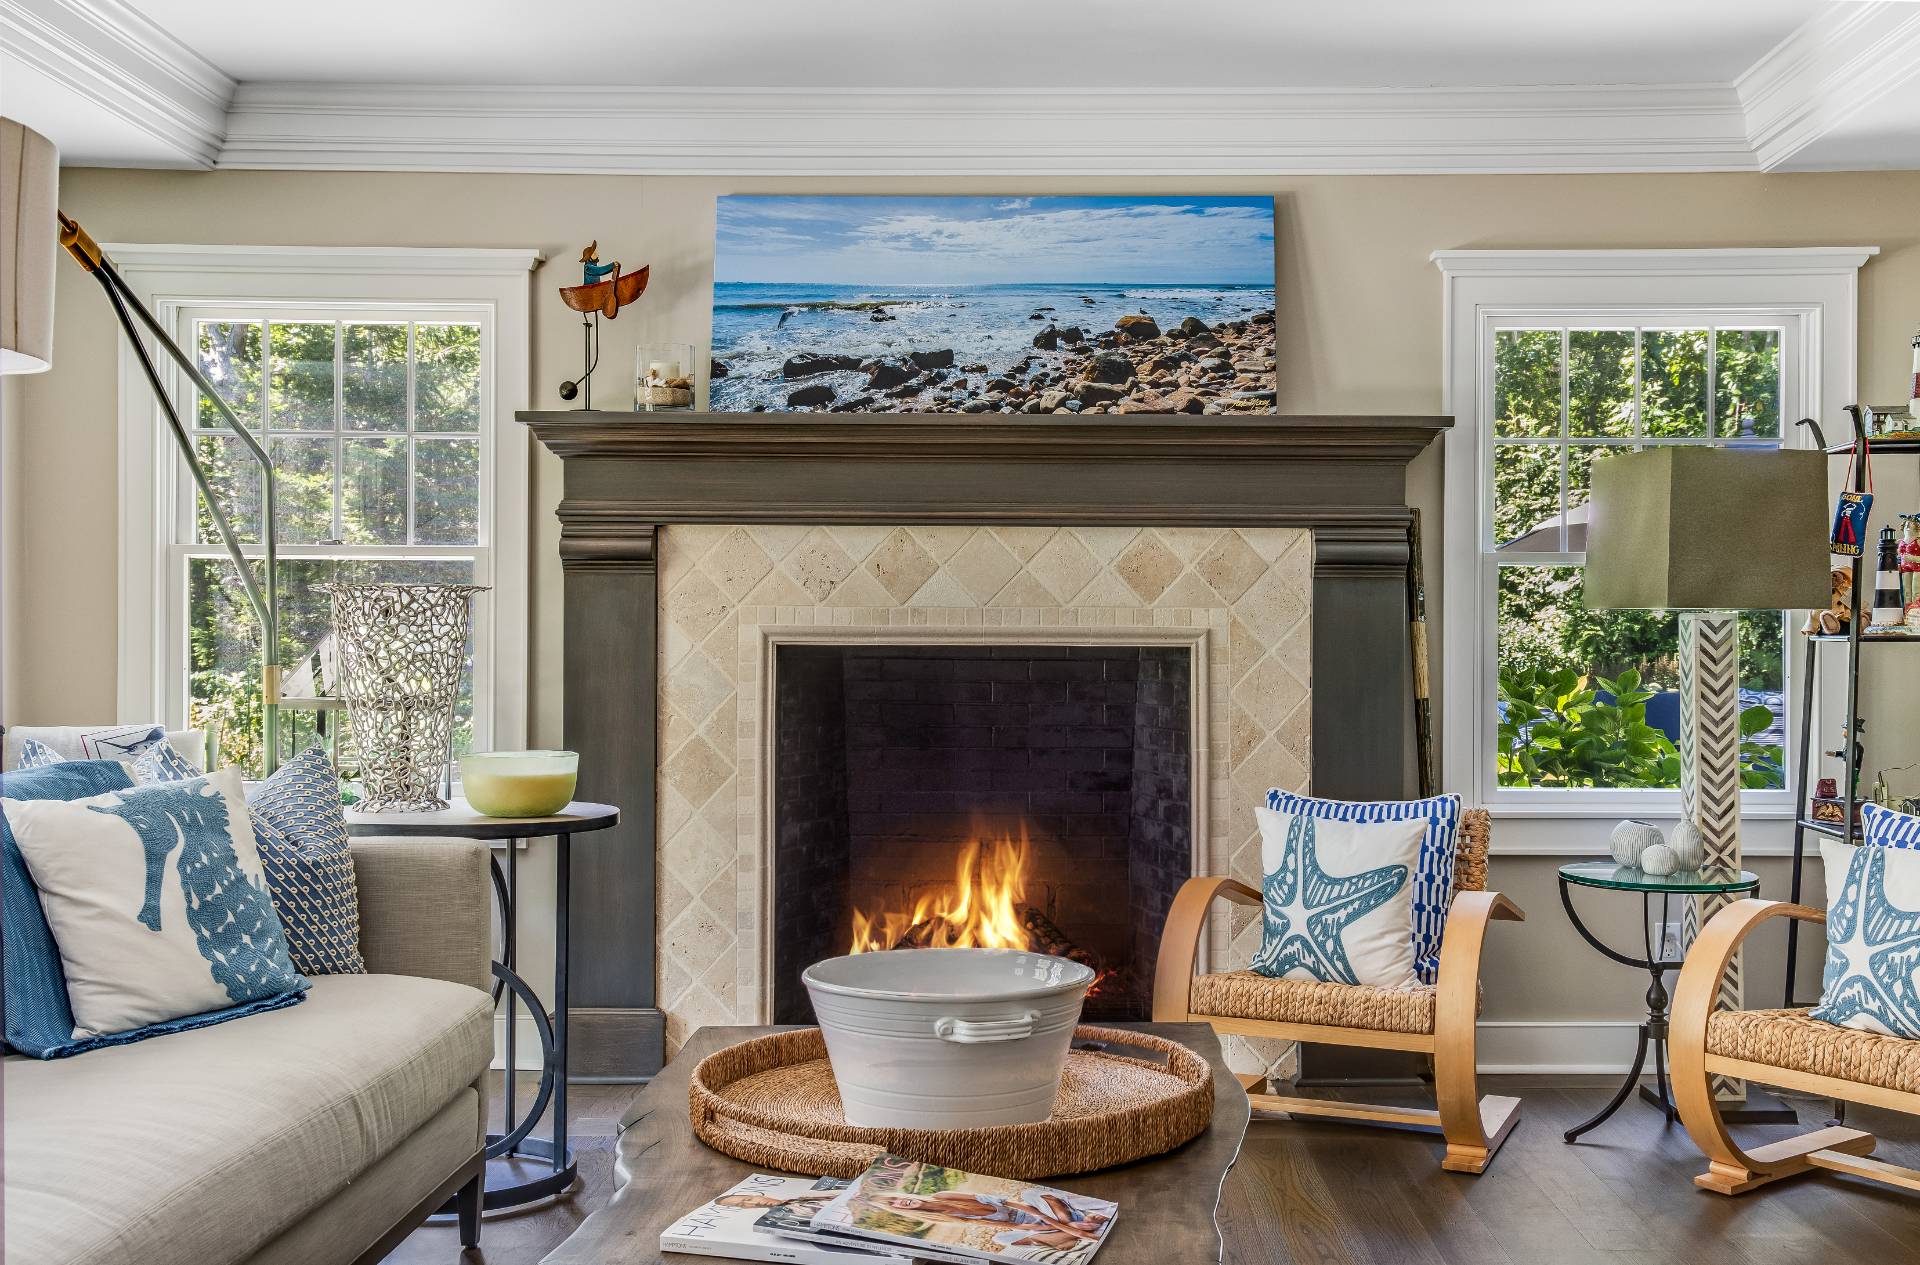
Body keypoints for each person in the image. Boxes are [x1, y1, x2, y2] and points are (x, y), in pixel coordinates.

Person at [873, 1189, 1113, 1252]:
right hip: (1032, 1223)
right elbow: (1006, 1225)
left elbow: (1010, 1203)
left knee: (1031, 1194)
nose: (900, 1202)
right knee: (1001, 1238)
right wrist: (1027, 1227)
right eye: (894, 1205)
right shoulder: (947, 1218)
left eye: (895, 1198)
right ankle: (1075, 1228)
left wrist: (1046, 1220)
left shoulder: (942, 1196)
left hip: (1038, 1212)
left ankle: (1072, 1231)